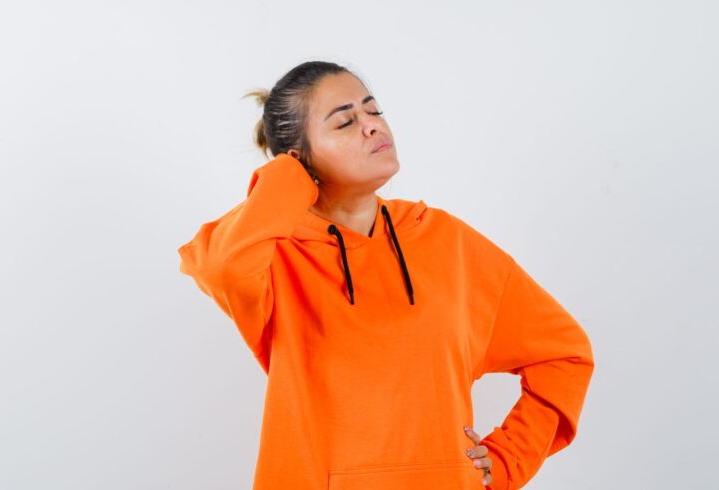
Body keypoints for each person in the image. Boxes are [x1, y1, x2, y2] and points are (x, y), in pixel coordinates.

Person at [177, 60, 594, 490]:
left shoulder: (445, 240)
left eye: (373, 110)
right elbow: (219, 265)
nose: (372, 127)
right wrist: (290, 176)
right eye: (344, 122)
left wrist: (510, 459)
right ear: (298, 161)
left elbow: (564, 353)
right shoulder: (274, 255)